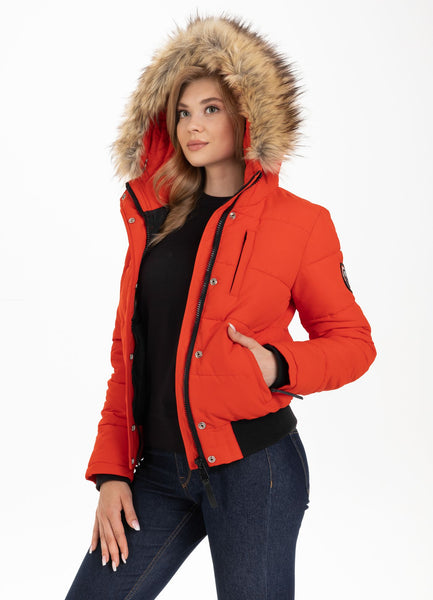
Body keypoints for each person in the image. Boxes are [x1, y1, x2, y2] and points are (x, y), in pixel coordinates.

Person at [65, 15, 376, 600]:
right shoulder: (154, 223)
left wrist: (278, 365)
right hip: (158, 470)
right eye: (183, 112)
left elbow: (354, 344)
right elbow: (128, 358)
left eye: (211, 109)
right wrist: (110, 472)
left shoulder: (302, 223)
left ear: (248, 114)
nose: (193, 125)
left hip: (255, 468)